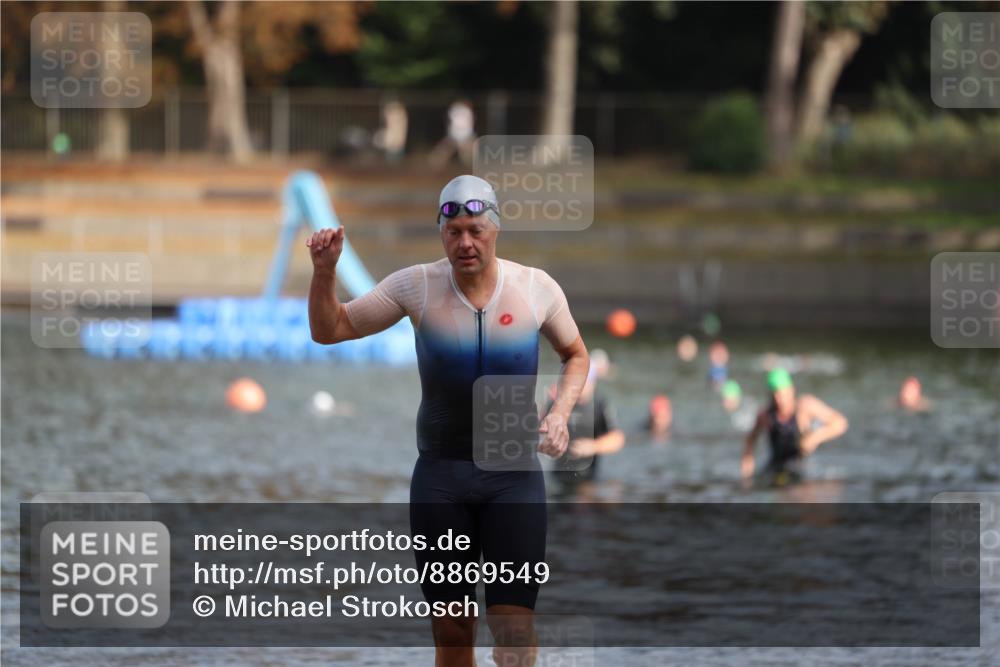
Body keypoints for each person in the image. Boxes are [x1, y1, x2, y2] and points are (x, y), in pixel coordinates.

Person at [306, 174, 588, 667]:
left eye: (476, 230)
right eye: (454, 231)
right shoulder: (415, 286)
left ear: (495, 228)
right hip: (441, 479)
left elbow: (576, 355)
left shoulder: (535, 288)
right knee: (454, 635)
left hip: (513, 477)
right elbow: (331, 330)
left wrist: (560, 413)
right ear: (440, 231)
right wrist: (324, 272)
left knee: (514, 629)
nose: (466, 243)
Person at [740, 368, 848, 488]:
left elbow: (840, 423)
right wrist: (747, 475)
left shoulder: (805, 406)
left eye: (782, 393)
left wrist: (815, 438)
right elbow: (749, 442)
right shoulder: (765, 415)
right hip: (774, 468)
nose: (779, 399)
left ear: (791, 390)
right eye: (775, 394)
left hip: (801, 468)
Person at [548, 366, 625, 497]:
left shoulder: (601, 404)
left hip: (587, 476)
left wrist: (593, 446)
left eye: (584, 382)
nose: (580, 387)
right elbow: (537, 425)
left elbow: (618, 439)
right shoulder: (559, 401)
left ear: (593, 383)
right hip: (558, 474)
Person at [429, 99, 476, 167]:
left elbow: (450, 120)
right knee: (466, 152)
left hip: (456, 133)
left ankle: (434, 162)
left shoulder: (457, 110)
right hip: (462, 134)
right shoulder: (463, 110)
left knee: (464, 152)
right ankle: (435, 162)